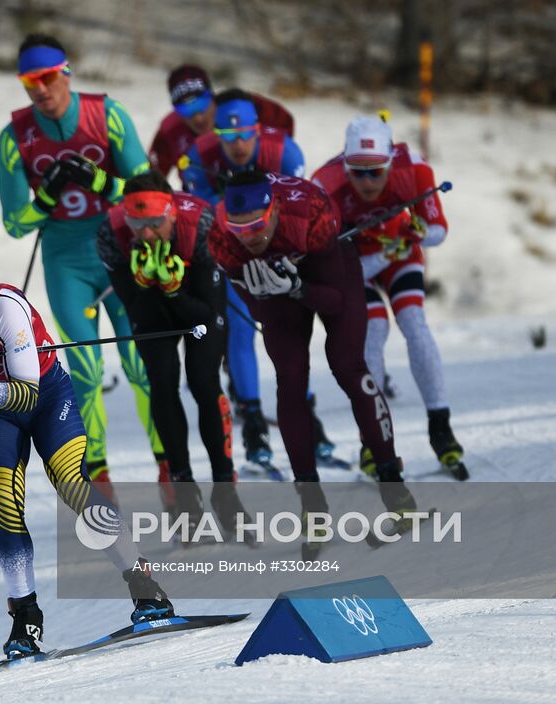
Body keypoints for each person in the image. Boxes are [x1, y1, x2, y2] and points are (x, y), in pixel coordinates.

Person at [0, 260, 175, 658]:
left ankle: (145, 585)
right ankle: (24, 617)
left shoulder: (3, 308)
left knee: (70, 481)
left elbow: (26, 395)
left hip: (44, 395)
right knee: (3, 498)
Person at [206, 170, 417, 556]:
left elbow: (336, 300)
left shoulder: (310, 213)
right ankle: (312, 506)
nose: (248, 236)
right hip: (277, 287)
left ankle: (395, 490)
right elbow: (258, 309)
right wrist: (262, 292)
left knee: (347, 365)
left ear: (272, 211)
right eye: (238, 228)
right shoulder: (222, 240)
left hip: (326, 270)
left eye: (256, 224)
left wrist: (297, 287)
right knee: (289, 378)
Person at [0, 33, 165, 485]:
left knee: (139, 365)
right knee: (86, 371)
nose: (40, 91)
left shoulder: (107, 114)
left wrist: (103, 184)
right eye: (29, 82)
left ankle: (170, 469)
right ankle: (100, 477)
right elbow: (15, 224)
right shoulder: (15, 137)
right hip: (66, 262)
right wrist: (46, 196)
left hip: (121, 257)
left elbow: (150, 193)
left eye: (48, 78)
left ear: (66, 72)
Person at [178, 90, 337, 473]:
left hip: (279, 247)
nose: (236, 144)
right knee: (240, 330)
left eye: (244, 134)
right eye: (226, 137)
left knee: (287, 331)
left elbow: (298, 210)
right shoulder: (199, 155)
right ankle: (252, 421)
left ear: (258, 130)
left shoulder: (285, 151)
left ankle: (308, 416)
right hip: (232, 249)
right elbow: (204, 218)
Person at [311, 116, 466, 478]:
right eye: (357, 172)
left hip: (400, 254)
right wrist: (386, 252)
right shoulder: (325, 185)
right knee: (373, 332)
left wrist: (417, 232)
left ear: (390, 163)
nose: (367, 182)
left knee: (414, 323)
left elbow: (439, 231)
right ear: (344, 163)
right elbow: (325, 261)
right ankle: (372, 441)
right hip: (355, 265)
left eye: (376, 172)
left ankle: (441, 428)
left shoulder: (413, 170)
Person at [94, 172, 245, 527]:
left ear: (173, 213)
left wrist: (175, 289)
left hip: (196, 298)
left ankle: (226, 489)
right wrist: (148, 286)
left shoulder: (203, 221)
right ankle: (184, 490)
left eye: (155, 223)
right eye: (136, 222)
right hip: (153, 307)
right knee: (161, 385)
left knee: (204, 383)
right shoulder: (111, 234)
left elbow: (208, 312)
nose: (145, 233)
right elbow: (137, 311)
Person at [147, 64, 294, 191]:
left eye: (201, 105)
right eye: (186, 110)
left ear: (212, 96)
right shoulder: (171, 130)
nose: (198, 117)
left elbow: (285, 124)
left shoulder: (242, 106)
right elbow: (151, 177)